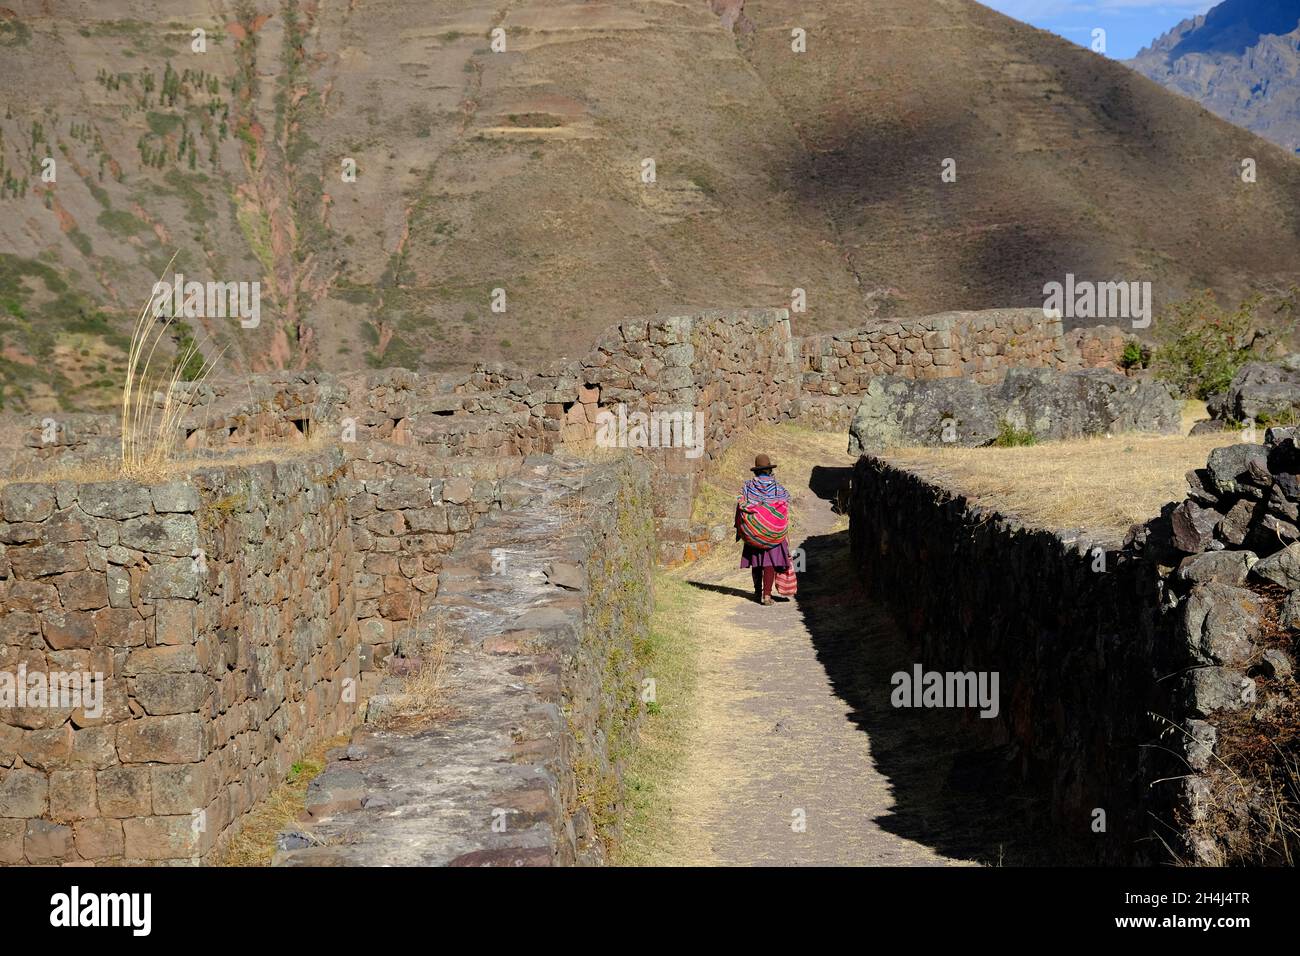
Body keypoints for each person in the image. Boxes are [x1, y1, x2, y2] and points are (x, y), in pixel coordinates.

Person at [736, 454, 791, 605]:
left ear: (756, 471)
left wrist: (741, 528)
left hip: (754, 532)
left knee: (756, 561)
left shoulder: (747, 487)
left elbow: (740, 504)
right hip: (773, 533)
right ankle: (766, 596)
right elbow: (786, 501)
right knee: (769, 562)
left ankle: (756, 592)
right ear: (769, 470)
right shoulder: (778, 488)